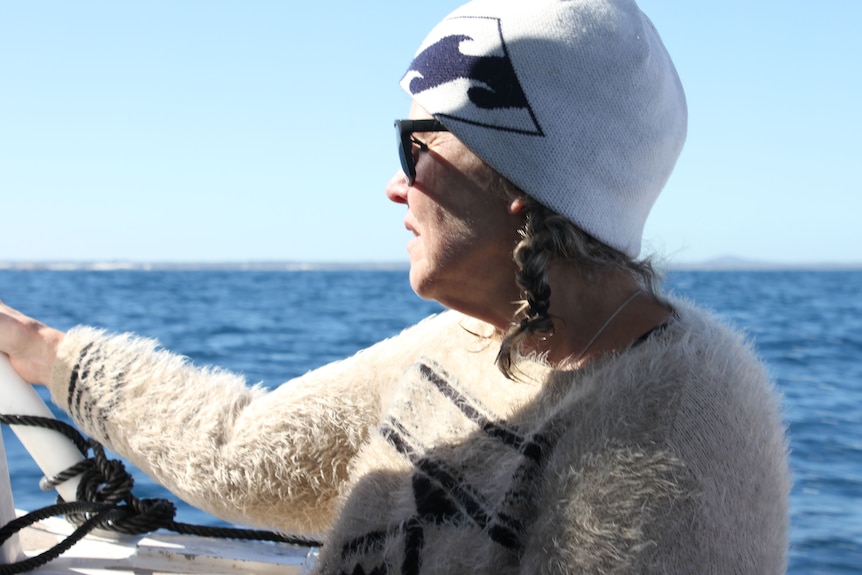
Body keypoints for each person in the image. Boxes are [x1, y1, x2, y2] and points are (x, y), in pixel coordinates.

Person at [0, 0, 790, 572]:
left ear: (524, 181)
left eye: (417, 146)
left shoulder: (686, 414)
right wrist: (44, 352)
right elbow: (243, 455)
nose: (393, 185)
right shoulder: (484, 338)